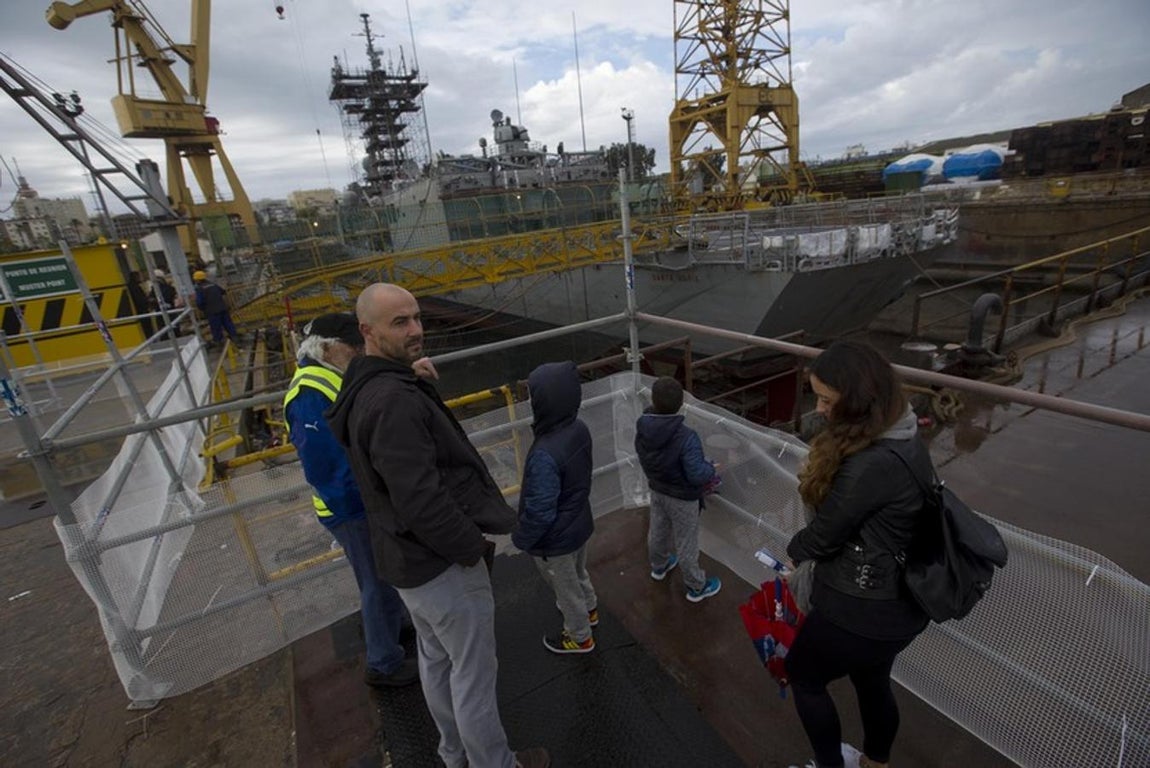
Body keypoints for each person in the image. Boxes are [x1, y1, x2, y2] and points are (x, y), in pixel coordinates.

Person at [325, 283, 549, 768]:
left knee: (437, 660)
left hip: (405, 563)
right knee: (474, 675)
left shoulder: (365, 383)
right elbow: (420, 500)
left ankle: (453, 754)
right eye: (400, 323)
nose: (416, 331)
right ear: (367, 331)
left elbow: (399, 462)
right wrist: (469, 548)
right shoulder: (393, 401)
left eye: (417, 318)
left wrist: (414, 378)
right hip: (440, 564)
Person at [784, 340, 932, 768]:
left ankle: (830, 764)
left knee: (805, 676)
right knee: (872, 680)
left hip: (862, 605)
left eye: (828, 399)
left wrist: (794, 554)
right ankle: (876, 763)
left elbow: (824, 535)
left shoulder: (868, 464)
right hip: (900, 602)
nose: (820, 409)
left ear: (858, 400)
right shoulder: (904, 436)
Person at [282, 312, 420, 689]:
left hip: (362, 501)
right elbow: (325, 469)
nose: (361, 352)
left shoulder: (332, 372)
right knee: (376, 579)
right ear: (326, 347)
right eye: (353, 346)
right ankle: (384, 662)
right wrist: (369, 503)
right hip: (351, 508)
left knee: (385, 572)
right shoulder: (309, 392)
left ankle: (395, 626)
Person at [511, 361, 598, 655]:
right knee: (579, 572)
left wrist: (522, 538)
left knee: (566, 588)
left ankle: (580, 636)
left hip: (556, 539)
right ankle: (591, 610)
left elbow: (540, 510)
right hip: (579, 522)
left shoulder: (544, 453)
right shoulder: (579, 429)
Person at [634, 376, 722, 603]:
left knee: (658, 530)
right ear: (680, 404)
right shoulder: (686, 436)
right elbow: (696, 474)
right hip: (683, 497)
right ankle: (696, 586)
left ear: (653, 400)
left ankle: (659, 566)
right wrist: (710, 469)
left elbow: (644, 456)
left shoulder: (642, 428)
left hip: (657, 489)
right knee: (686, 542)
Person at [193, 269, 238, 346]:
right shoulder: (213, 284)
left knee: (216, 326)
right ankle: (234, 336)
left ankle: (218, 340)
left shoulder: (200, 289)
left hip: (212, 311)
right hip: (222, 308)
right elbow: (223, 291)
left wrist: (202, 308)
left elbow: (200, 302)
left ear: (197, 280)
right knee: (228, 323)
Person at [126, 270, 154, 339]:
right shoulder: (135, 287)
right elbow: (140, 300)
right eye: (139, 276)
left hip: (138, 310)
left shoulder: (130, 286)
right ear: (136, 277)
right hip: (141, 310)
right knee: (147, 327)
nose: (141, 278)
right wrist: (148, 301)